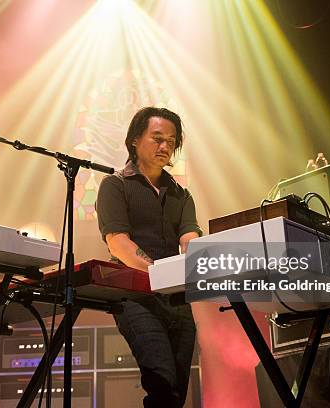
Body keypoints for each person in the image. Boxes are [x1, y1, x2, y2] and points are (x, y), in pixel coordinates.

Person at [96, 107, 202, 407]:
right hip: (136, 298)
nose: (165, 146)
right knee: (162, 382)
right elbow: (119, 244)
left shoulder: (182, 195)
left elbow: (189, 239)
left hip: (179, 300)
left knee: (178, 391)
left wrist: (202, 262)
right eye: (157, 138)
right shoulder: (114, 185)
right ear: (134, 141)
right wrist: (162, 274)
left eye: (171, 140)